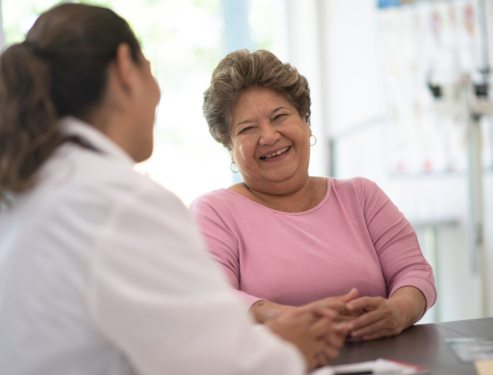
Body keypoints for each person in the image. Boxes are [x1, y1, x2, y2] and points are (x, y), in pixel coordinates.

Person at [0, 4, 348, 374]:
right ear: (124, 68)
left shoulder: (29, 185)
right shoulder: (119, 202)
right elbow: (219, 363)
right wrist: (288, 348)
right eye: (151, 70)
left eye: (280, 116)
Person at [191, 49, 437, 341]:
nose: (269, 136)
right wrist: (286, 319)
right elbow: (213, 299)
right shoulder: (214, 212)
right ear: (230, 148)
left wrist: (398, 311)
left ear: (306, 122)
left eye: (279, 116)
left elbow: (414, 272)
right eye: (247, 129)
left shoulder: (362, 196)